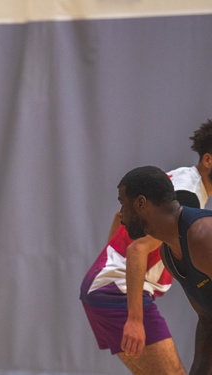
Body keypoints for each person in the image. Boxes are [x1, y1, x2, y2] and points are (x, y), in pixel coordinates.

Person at [80, 120, 212, 374]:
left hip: (108, 285)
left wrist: (108, 262)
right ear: (208, 160)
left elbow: (119, 218)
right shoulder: (188, 198)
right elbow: (137, 250)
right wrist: (135, 317)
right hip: (118, 291)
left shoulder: (180, 178)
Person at [117, 165, 212, 375]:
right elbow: (207, 320)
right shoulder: (168, 255)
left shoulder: (202, 235)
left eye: (123, 205)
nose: (121, 216)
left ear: (141, 203)